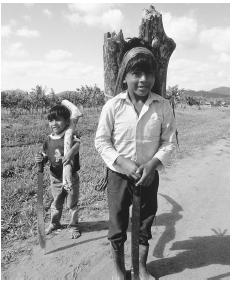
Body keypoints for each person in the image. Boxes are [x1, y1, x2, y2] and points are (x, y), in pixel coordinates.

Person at [95, 38, 176, 279]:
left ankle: (141, 267)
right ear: (124, 77)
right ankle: (120, 271)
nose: (143, 79)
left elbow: (169, 142)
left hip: (148, 177)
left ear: (155, 77)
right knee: (118, 226)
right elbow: (101, 141)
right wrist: (122, 162)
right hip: (119, 177)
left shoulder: (162, 106)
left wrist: (152, 165)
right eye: (136, 73)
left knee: (144, 225)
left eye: (148, 74)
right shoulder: (113, 106)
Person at [35, 104, 81, 239]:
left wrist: (71, 152)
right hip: (55, 178)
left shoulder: (70, 134)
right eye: (51, 120)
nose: (54, 123)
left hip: (71, 177)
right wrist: (40, 159)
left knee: (72, 204)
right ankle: (55, 223)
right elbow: (44, 156)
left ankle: (73, 226)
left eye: (58, 119)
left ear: (67, 121)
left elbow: (78, 144)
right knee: (56, 202)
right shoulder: (48, 140)